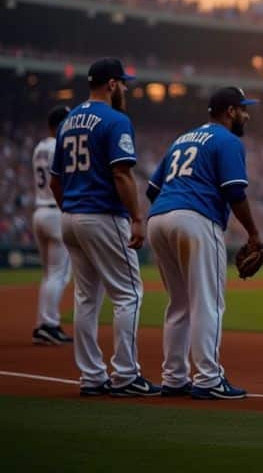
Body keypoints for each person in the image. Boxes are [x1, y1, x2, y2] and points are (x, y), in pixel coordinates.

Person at [49, 58, 160, 397]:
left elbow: (56, 181)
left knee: (86, 298)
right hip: (102, 215)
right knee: (128, 293)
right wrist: (138, 218)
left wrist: (69, 207)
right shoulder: (115, 119)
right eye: (123, 83)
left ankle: (92, 376)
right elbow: (122, 173)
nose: (125, 88)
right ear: (111, 84)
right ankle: (126, 375)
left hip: (70, 215)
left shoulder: (68, 121)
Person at [147, 87, 263, 400]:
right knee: (207, 302)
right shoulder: (227, 141)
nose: (247, 114)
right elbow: (235, 192)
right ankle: (209, 379)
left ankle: (173, 377)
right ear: (229, 111)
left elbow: (152, 188)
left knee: (179, 303)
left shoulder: (182, 139)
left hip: (158, 219)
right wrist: (253, 233)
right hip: (195, 219)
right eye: (243, 108)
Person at [32, 105, 72, 345]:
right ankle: (48, 324)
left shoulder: (39, 147)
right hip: (56, 212)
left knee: (49, 274)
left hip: (39, 211)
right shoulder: (61, 145)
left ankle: (43, 323)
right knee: (59, 274)